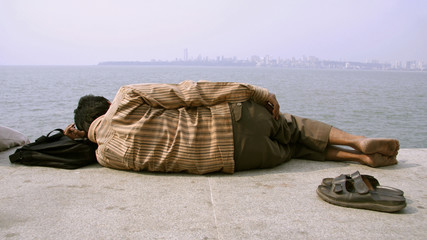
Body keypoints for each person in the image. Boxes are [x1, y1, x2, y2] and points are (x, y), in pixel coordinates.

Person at [64, 80, 399, 174]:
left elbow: (89, 142)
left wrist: (78, 134)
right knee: (292, 126)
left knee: (292, 149)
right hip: (232, 119)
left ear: (83, 129)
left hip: (233, 159)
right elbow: (190, 93)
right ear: (107, 105)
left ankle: (358, 160)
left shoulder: (105, 156)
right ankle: (358, 142)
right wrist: (256, 92)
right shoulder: (125, 99)